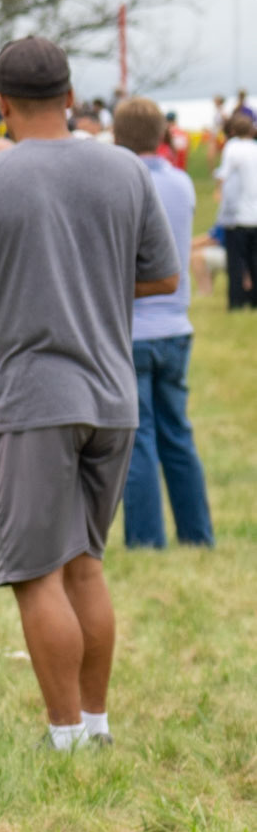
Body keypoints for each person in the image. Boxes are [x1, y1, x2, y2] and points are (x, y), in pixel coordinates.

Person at [0, 35, 179, 752]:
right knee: (85, 566)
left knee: (37, 575)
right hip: (111, 396)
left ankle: (65, 735)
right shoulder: (123, 168)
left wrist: (12, 279)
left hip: (31, 403)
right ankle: (96, 726)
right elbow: (163, 276)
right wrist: (91, 278)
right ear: (69, 96)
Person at [111, 96, 214, 551]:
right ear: (163, 134)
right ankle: (197, 532)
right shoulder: (182, 183)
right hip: (175, 323)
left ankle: (146, 539)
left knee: (139, 437)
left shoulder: (120, 184)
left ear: (117, 137)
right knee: (178, 433)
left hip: (133, 326)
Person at [215, 110, 257, 308]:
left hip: (238, 215)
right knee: (254, 260)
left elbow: (224, 175)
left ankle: (237, 301)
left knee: (236, 262)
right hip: (255, 215)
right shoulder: (254, 148)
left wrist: (218, 191)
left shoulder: (232, 148)